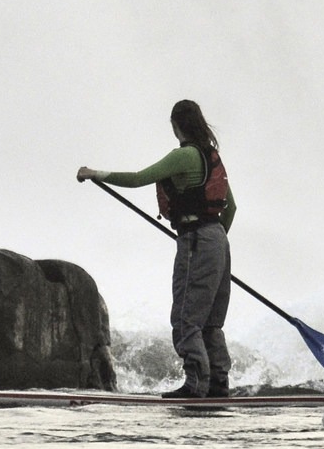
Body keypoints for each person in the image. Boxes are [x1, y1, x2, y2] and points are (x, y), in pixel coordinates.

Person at [77, 100, 236, 399]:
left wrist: (95, 173)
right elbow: (232, 208)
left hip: (197, 240)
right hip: (218, 241)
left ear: (177, 125)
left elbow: (139, 178)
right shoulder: (212, 157)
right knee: (212, 322)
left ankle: (195, 386)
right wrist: (215, 245)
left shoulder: (185, 156)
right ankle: (218, 384)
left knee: (187, 318)